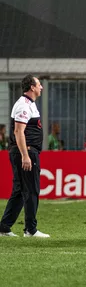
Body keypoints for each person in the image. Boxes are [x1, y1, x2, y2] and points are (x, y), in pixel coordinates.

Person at [0, 75, 49, 238]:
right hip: (26, 152)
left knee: (20, 190)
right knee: (32, 189)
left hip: (24, 151)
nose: (41, 87)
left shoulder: (29, 104)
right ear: (32, 87)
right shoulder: (23, 105)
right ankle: (30, 229)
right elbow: (18, 131)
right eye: (39, 84)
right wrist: (25, 156)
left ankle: (4, 227)